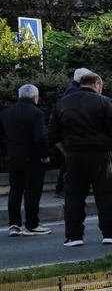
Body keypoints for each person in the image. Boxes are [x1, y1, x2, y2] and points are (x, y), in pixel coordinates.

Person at [49, 72, 112, 247]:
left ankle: (73, 236)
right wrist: (107, 141)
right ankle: (110, 233)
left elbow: (52, 134)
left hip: (74, 154)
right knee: (107, 194)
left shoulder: (62, 103)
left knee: (73, 196)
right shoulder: (104, 102)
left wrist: (66, 150)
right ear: (97, 84)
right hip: (100, 153)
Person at [0, 84, 53, 237]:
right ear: (34, 97)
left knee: (15, 190)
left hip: (13, 156)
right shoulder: (36, 113)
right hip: (33, 157)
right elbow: (41, 137)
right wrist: (44, 155)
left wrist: (7, 151)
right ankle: (32, 224)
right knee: (32, 191)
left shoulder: (6, 113)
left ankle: (14, 224)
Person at [51, 67, 91, 199]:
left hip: (68, 131)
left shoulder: (71, 90)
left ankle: (64, 187)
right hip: (72, 132)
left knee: (70, 160)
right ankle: (62, 187)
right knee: (69, 161)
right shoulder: (75, 91)